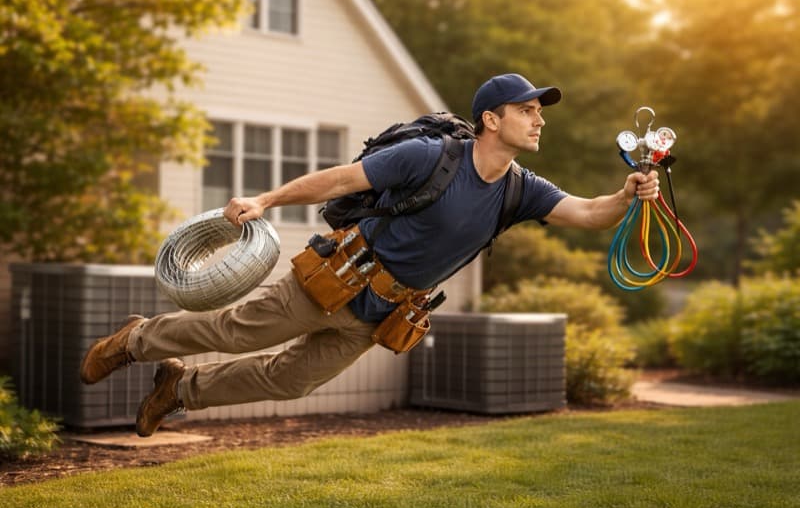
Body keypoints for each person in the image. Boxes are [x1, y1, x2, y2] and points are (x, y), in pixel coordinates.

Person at [80, 73, 659, 437]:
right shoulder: (432, 156)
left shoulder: (520, 188)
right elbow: (338, 180)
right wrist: (267, 198)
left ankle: (177, 390)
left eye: (539, 112)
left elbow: (588, 213)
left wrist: (626, 194)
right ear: (492, 119)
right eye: (528, 110)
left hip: (383, 313)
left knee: (290, 382)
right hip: (334, 279)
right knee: (234, 333)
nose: (539, 120)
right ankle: (132, 341)